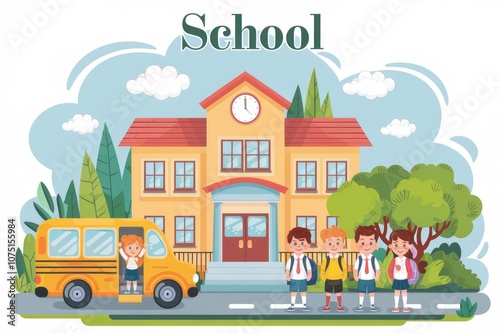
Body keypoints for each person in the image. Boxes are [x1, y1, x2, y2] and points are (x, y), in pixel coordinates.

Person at [319, 226, 348, 312]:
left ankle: (339, 305)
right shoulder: (327, 259)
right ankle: (327, 305)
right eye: (330, 243)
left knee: (338, 293)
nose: (334, 246)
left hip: (338, 279)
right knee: (328, 293)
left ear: (342, 244)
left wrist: (343, 277)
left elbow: (345, 269)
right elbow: (322, 269)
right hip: (328, 279)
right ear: (325, 245)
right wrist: (324, 277)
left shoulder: (341, 259)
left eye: (338, 243)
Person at [353, 225, 380, 312]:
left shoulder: (373, 258)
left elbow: (377, 269)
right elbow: (355, 269)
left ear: (375, 244)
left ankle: (372, 305)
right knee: (361, 292)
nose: (367, 245)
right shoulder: (359, 259)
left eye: (371, 243)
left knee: (372, 292)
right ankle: (360, 305)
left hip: (371, 278)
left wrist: (377, 276)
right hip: (362, 278)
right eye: (363, 243)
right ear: (357, 244)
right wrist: (355, 276)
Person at [285, 227, 312, 312]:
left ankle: (304, 305)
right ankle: (292, 305)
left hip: (303, 278)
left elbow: (309, 269)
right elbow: (288, 269)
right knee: (293, 292)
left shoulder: (305, 259)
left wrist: (309, 276)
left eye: (302, 243)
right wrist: (287, 276)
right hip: (294, 278)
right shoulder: (291, 259)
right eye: (295, 243)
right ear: (290, 245)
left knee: (303, 292)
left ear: (307, 245)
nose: (299, 246)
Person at [387, 229, 415, 313]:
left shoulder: (406, 260)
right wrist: (391, 275)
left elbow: (409, 268)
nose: (400, 248)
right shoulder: (394, 260)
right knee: (396, 292)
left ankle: (405, 306)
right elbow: (390, 269)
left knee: (404, 292)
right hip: (397, 278)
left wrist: (409, 276)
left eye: (404, 244)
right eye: (396, 244)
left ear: (410, 246)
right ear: (391, 246)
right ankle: (396, 306)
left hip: (404, 278)